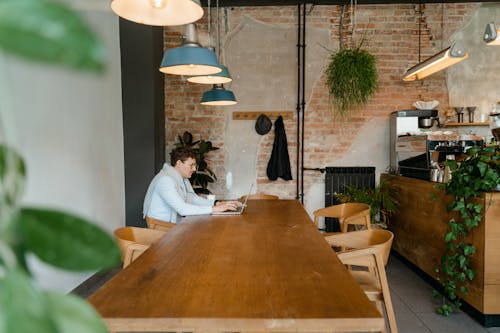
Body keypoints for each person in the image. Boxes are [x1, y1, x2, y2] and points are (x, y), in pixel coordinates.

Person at [143, 147, 239, 223]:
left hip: (175, 224)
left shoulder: (181, 178)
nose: (194, 169)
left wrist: (216, 203)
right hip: (162, 228)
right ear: (179, 163)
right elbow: (182, 209)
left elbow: (192, 199)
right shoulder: (165, 180)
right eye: (191, 165)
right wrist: (214, 209)